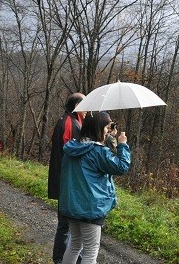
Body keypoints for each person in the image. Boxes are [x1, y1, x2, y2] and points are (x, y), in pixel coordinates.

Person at [59, 111, 131, 264]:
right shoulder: (97, 151)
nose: (108, 130)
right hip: (90, 207)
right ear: (98, 128)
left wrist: (109, 138)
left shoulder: (72, 147)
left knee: (74, 244)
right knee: (91, 250)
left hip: (73, 205)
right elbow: (121, 167)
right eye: (106, 127)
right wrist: (123, 144)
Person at [48, 92, 86, 264]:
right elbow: (73, 154)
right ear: (77, 106)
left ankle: (62, 259)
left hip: (64, 181)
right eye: (85, 104)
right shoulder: (71, 124)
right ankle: (61, 260)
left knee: (67, 226)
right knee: (66, 226)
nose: (88, 109)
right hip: (67, 183)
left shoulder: (67, 120)